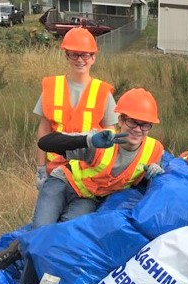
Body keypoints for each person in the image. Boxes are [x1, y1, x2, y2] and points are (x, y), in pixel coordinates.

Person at [0, 88, 165, 284]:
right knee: (43, 231)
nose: (138, 129)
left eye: (145, 124)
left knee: (62, 236)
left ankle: (20, 253)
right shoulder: (103, 140)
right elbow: (46, 142)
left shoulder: (154, 150)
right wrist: (87, 141)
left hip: (88, 198)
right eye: (132, 121)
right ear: (120, 119)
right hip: (63, 183)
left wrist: (153, 175)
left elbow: (140, 182)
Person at [34, 27, 118, 190]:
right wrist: (41, 168)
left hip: (88, 172)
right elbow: (43, 131)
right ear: (67, 56)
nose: (80, 60)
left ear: (93, 57)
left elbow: (110, 135)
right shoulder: (51, 87)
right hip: (55, 169)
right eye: (74, 54)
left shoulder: (102, 92)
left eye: (85, 54)